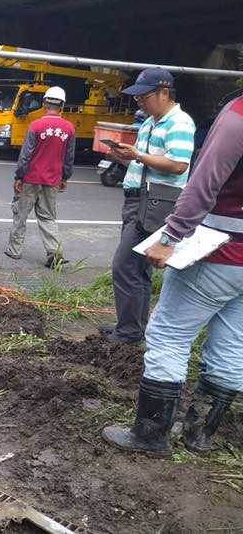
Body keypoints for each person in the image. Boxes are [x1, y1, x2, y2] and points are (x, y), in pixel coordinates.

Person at [101, 96, 243, 458]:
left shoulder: (238, 116)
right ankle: (199, 436)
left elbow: (203, 183)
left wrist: (170, 238)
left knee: (168, 335)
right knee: (231, 345)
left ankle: (150, 435)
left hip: (220, 252)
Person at [102, 68, 196, 344]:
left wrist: (138, 155)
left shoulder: (179, 123)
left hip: (154, 202)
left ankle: (129, 333)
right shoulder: (151, 122)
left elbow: (179, 164)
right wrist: (124, 157)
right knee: (138, 269)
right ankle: (131, 327)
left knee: (125, 266)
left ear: (163, 92)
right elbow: (144, 164)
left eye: (143, 96)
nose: (139, 102)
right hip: (137, 199)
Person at [4, 86, 75, 269]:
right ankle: (54, 253)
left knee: (21, 214)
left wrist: (19, 176)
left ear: (44, 103)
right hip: (52, 180)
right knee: (48, 218)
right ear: (62, 105)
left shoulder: (36, 126)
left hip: (31, 178)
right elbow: (69, 157)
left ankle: (15, 250)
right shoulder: (69, 128)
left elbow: (25, 155)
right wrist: (65, 177)